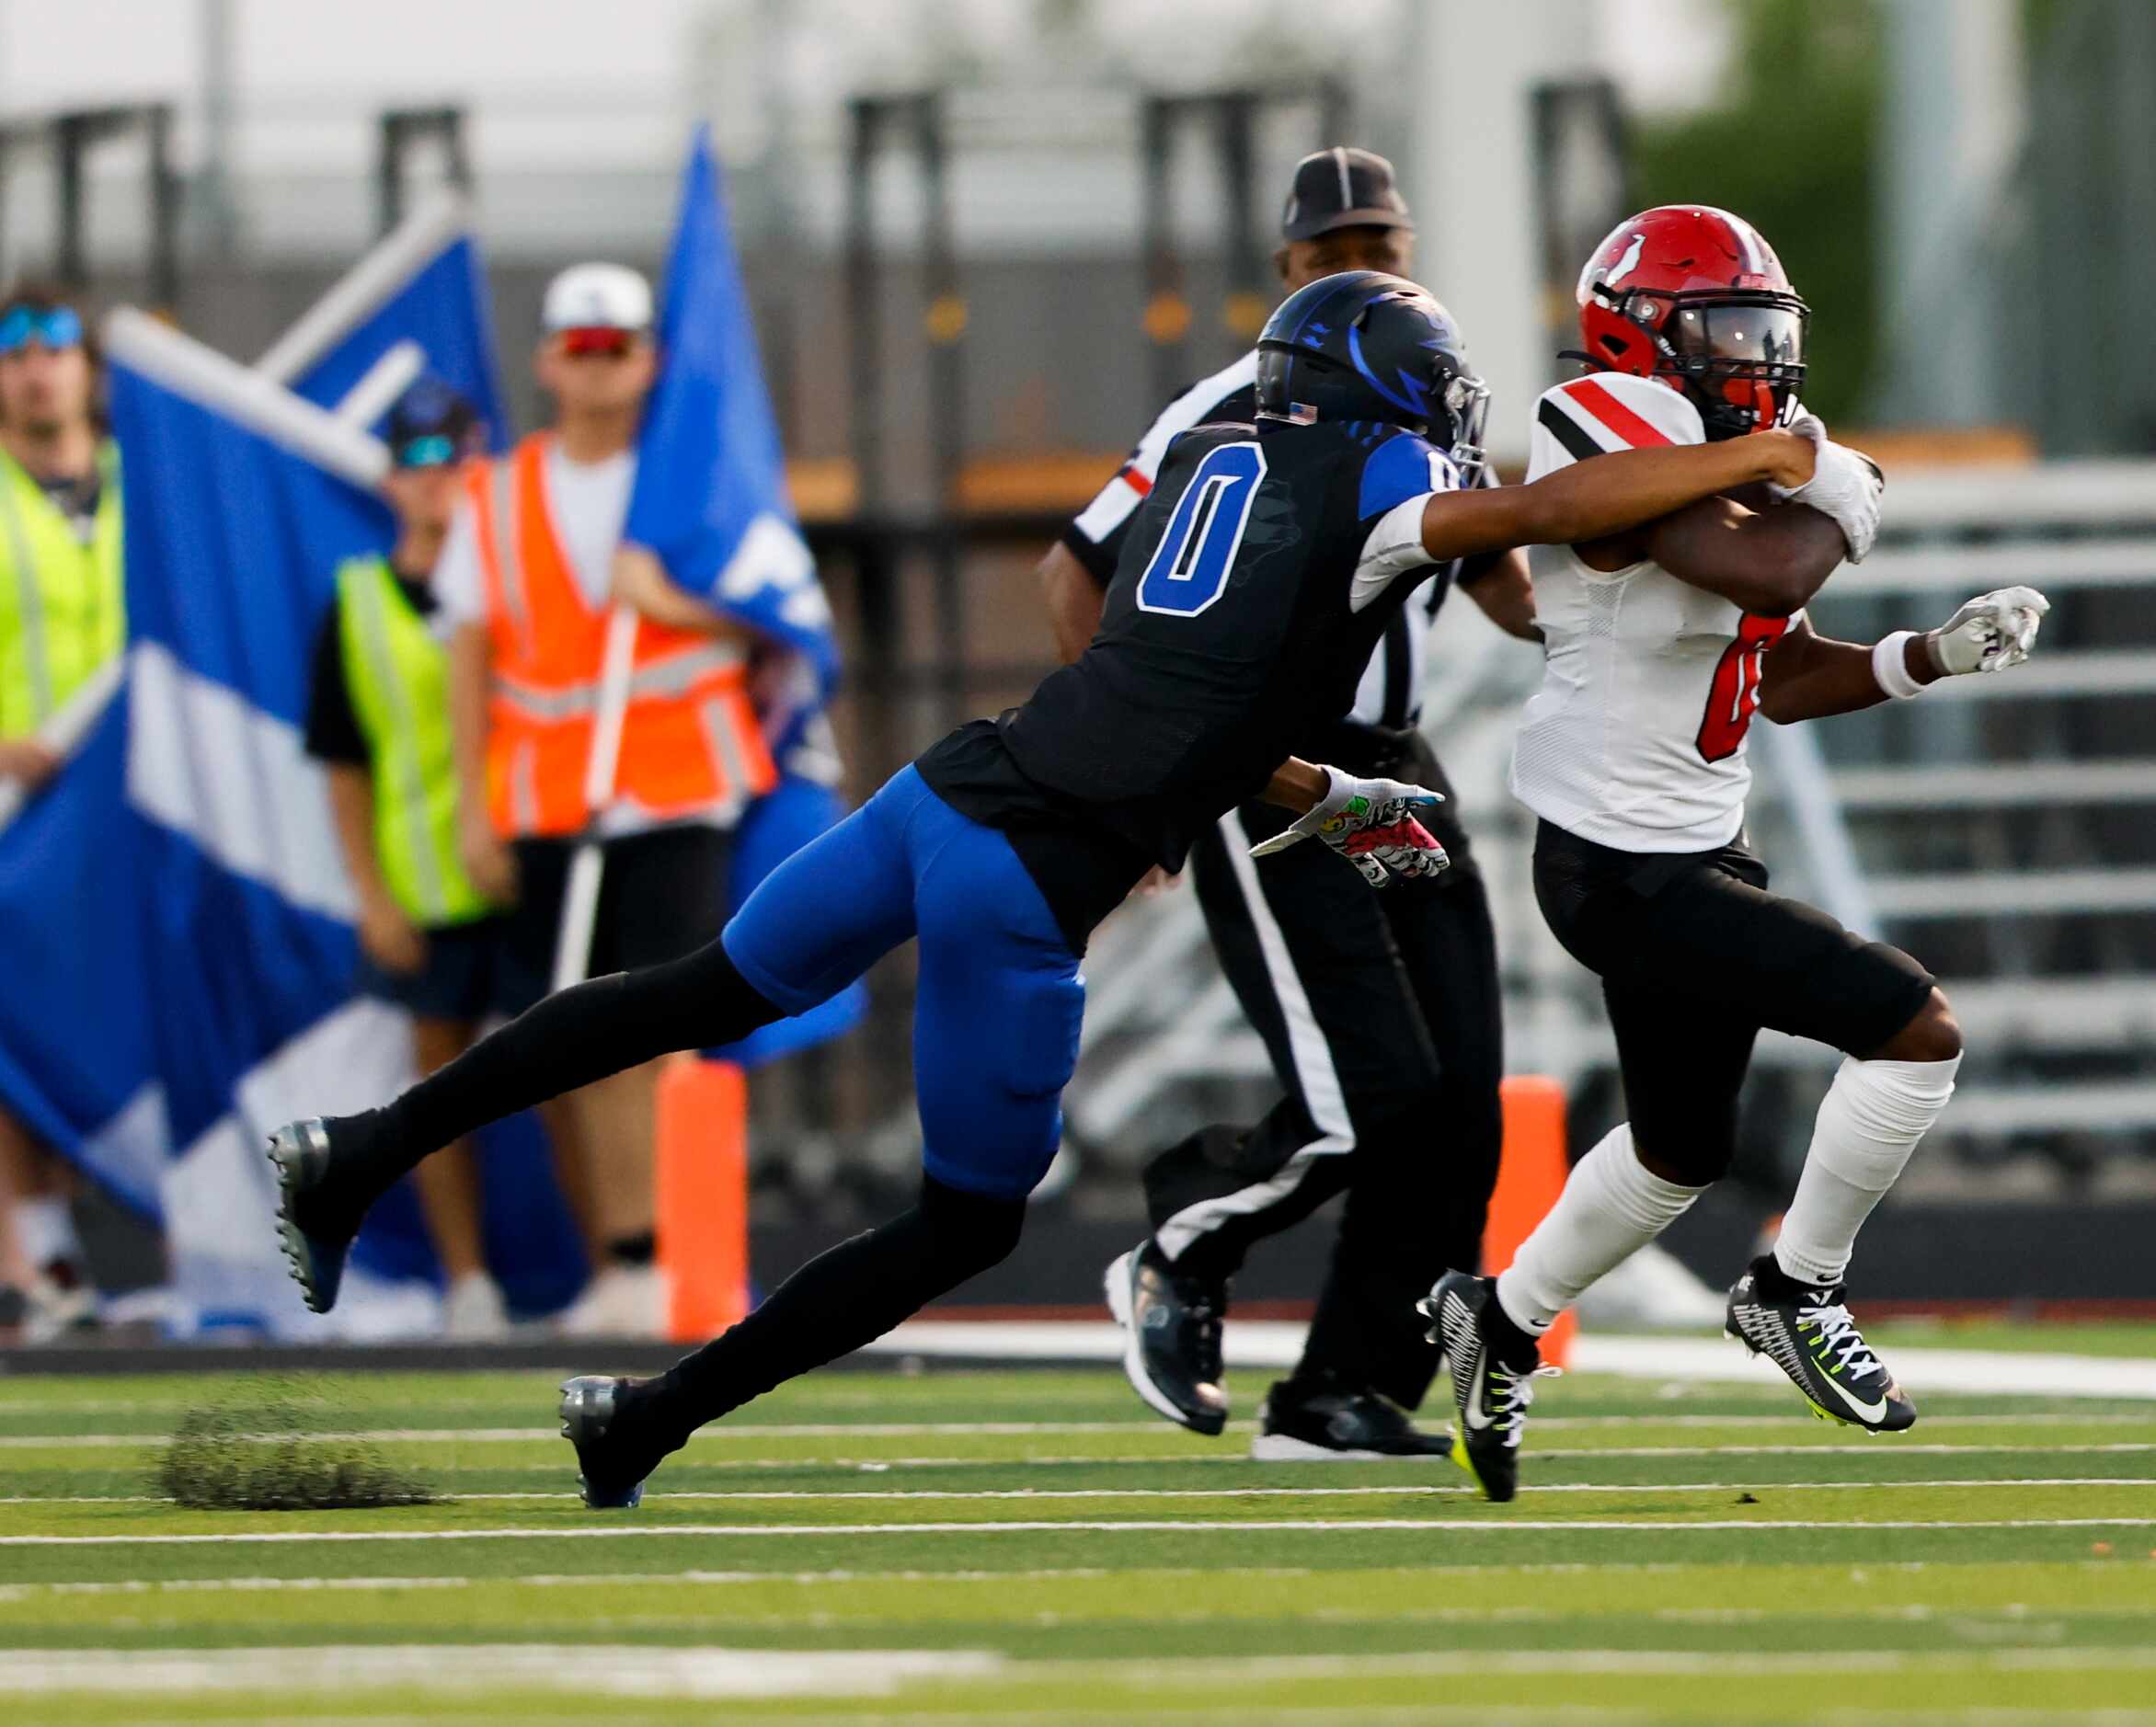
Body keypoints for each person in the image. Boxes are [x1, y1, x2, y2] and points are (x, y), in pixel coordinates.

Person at [268, 268, 1827, 1511]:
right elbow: (1541, 514)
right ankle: (643, 1421)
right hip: (1024, 880)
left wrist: (1329, 796)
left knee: (691, 991)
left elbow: (1181, 694)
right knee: (962, 1220)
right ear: (1383, 395)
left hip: (944, 789)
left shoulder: (1214, 458)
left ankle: (351, 1155)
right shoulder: (1371, 474)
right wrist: (1759, 452)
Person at [1421, 205, 2047, 1503]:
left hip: (1696, 842)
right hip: (1620, 864)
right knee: (1913, 1025)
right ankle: (1793, 1284)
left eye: (1767, 329)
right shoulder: (1606, 419)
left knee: (1673, 1150)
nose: (1754, 356)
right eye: (1723, 328)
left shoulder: (1723, 455)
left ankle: (1499, 1316)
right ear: (1637, 337)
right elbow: (1759, 571)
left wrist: (1925, 655)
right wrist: (1843, 495)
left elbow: (1776, 665)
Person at [1043, 146, 1537, 1459]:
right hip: (1268, 760)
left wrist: (1575, 637)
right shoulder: (1237, 399)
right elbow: (1074, 568)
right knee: (1358, 1100)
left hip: (1397, 762)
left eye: (1381, 242)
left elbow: (1481, 544)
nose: (1362, 267)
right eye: (1333, 253)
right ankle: (1181, 1241)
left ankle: (1342, 1387)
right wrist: (1140, 748)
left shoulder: (1424, 382)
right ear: (1287, 271)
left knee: (1462, 1099)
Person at [430, 263, 776, 1336]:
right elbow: (469, 655)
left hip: (679, 789)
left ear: (651, 358)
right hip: (550, 803)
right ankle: (624, 1257)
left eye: (617, 347)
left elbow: (779, 618)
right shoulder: (495, 494)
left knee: (670, 1030)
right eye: (578, 348)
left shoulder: (695, 480)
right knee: (574, 1041)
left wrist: (665, 602)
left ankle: (684, 1256)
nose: (597, 368)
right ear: (546, 361)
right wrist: (474, 808)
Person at [303, 380, 511, 1340]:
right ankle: (468, 1280)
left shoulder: (518, 583)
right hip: (426, 886)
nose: (441, 482)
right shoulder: (354, 603)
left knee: (577, 1072)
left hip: (522, 873)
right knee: (436, 1093)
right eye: (420, 462)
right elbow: (342, 768)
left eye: (458, 458)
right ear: (391, 479)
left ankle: (610, 1264)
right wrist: (371, 894)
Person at [0, 284, 122, 1342]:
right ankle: (35, 1257)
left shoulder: (149, 487)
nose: (36, 369)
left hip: (129, 815)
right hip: (14, 815)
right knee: (15, 1030)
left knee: (134, 1025)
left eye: (54, 348)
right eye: (14, 351)